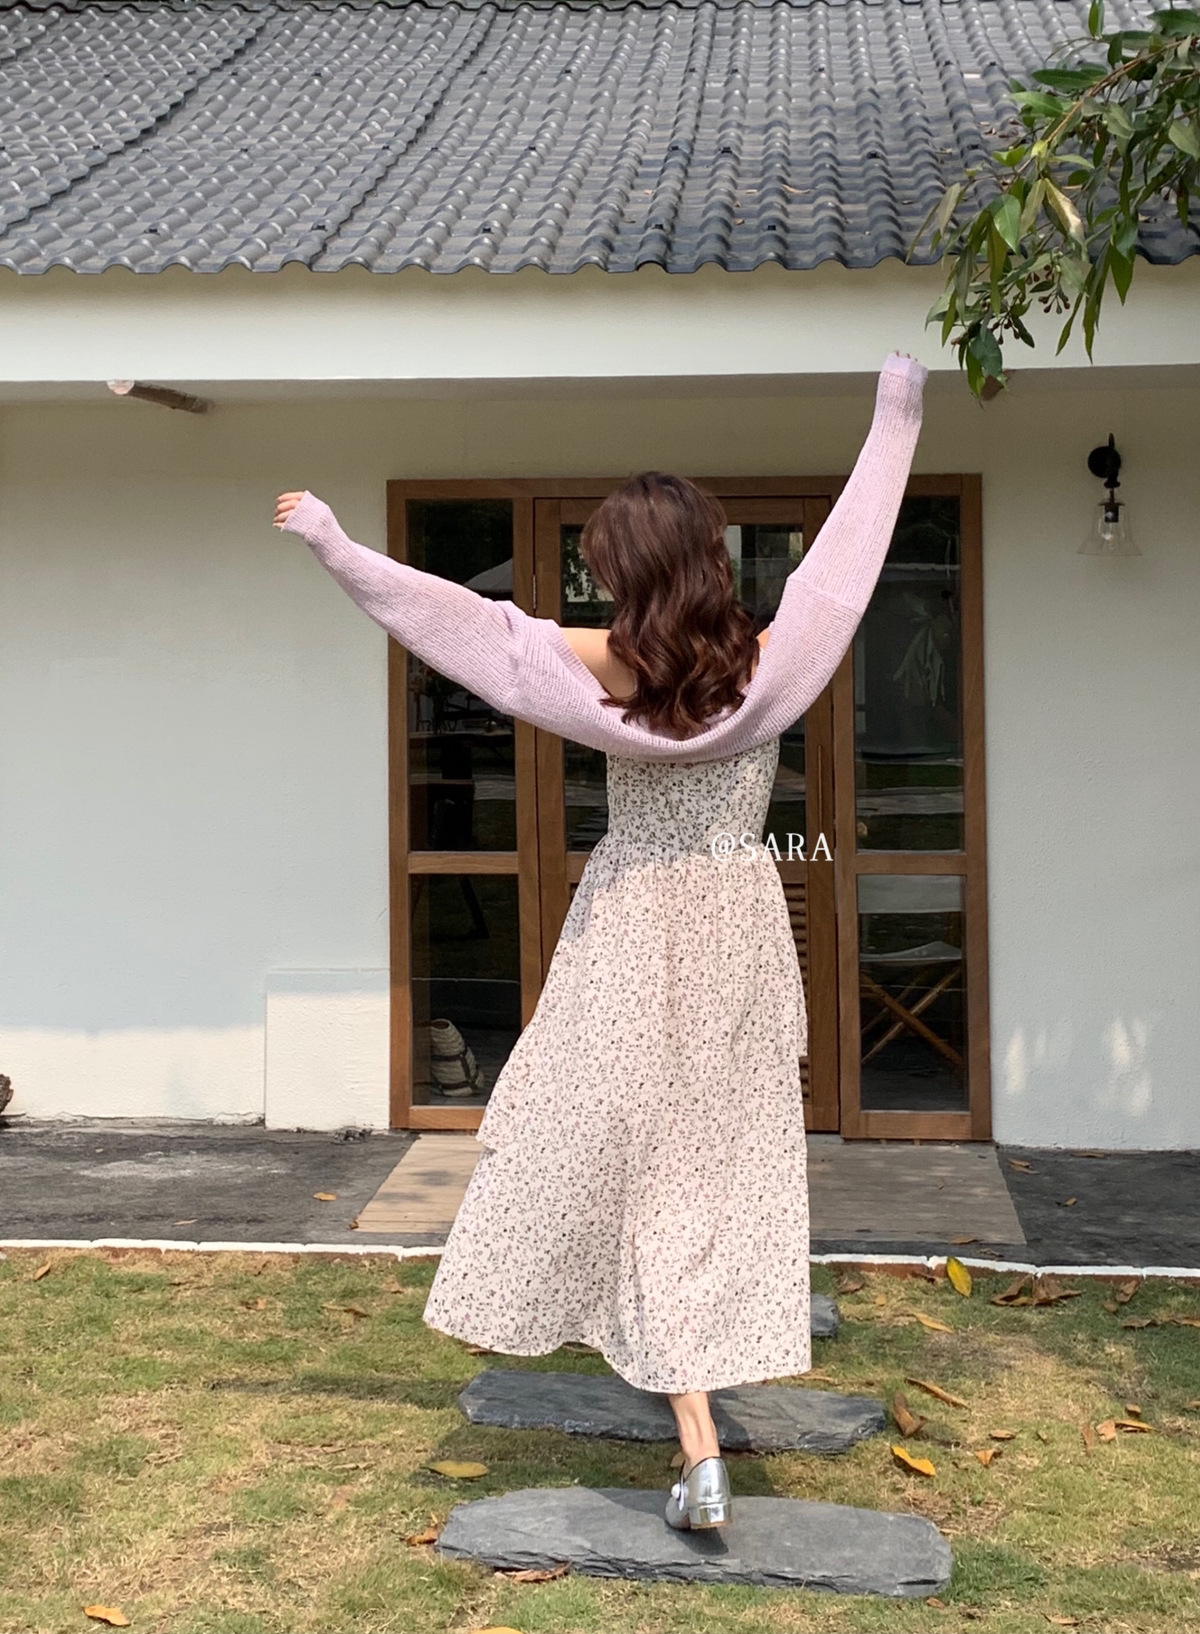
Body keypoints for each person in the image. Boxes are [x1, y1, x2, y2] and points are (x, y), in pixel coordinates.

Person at [274, 350, 927, 1531]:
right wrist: (897, 415)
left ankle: (696, 1437)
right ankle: (696, 1394)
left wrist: (337, 546)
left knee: (615, 1156)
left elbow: (468, 627)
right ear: (708, 560)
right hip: (738, 928)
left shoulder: (609, 664)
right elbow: (844, 562)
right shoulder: (773, 662)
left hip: (633, 926)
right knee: (708, 1163)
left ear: (632, 574)